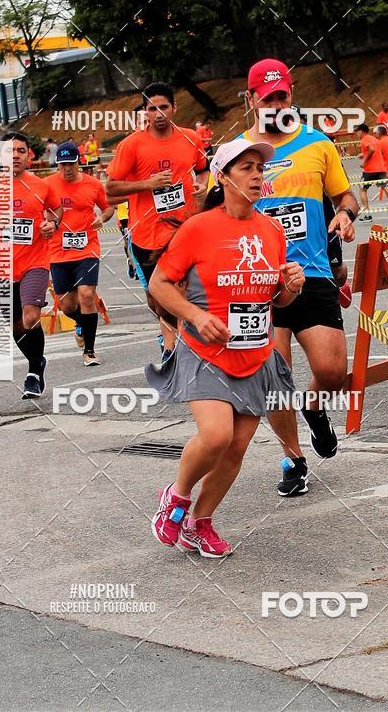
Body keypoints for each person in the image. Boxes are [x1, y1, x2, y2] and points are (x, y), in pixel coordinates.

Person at [147, 139, 305, 557]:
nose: (256, 175)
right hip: (205, 351)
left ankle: (200, 523)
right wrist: (196, 317)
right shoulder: (199, 228)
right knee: (217, 435)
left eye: (259, 168)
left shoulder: (271, 230)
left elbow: (276, 300)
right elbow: (159, 284)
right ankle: (177, 496)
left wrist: (291, 287)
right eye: (246, 168)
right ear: (222, 177)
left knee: (236, 448)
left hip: (254, 354)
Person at [239, 58, 359, 497]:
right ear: (251, 99)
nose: (275, 104)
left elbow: (346, 195)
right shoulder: (236, 152)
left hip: (312, 273)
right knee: (275, 378)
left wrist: (345, 214)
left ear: (291, 96)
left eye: (282, 96)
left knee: (332, 372)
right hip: (256, 282)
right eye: (266, 97)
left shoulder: (317, 143)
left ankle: (314, 408)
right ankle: (293, 458)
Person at [106, 82, 209, 359]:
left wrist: (201, 186)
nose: (159, 113)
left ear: (174, 108)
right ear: (145, 112)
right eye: (152, 108)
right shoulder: (132, 145)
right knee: (158, 300)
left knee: (185, 290)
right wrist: (148, 184)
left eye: (164, 107)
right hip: (147, 235)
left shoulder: (190, 138)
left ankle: (174, 349)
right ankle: (170, 337)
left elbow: (203, 169)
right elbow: (110, 189)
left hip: (185, 229)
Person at [0, 132, 62, 399]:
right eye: (10, 151)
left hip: (35, 261)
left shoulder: (41, 186)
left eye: (21, 150)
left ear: (29, 156)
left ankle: (33, 373)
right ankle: (38, 361)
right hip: (2, 266)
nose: (15, 155)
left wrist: (52, 224)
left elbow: (56, 211)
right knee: (17, 326)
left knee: (31, 316)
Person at [47, 141, 114, 366]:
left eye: (71, 164)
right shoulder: (47, 185)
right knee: (66, 305)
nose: (67, 169)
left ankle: (90, 351)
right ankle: (81, 323)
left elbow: (108, 207)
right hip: (58, 252)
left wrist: (102, 218)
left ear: (79, 162)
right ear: (57, 164)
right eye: (62, 164)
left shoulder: (93, 184)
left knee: (86, 295)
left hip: (87, 249)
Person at [355, 123, 388, 220]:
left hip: (370, 170)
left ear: (361, 131)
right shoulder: (374, 139)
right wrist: (363, 154)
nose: (356, 133)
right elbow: (375, 149)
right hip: (381, 168)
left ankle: (367, 214)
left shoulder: (364, 139)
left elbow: (371, 149)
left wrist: (364, 162)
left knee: (362, 189)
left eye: (357, 131)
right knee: (387, 187)